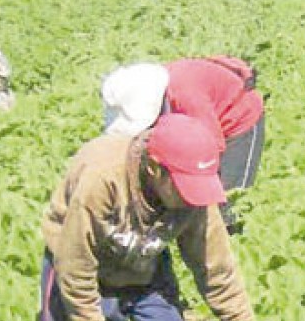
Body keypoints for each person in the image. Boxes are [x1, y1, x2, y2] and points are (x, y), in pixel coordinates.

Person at [38, 113, 253, 321]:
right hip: (83, 268)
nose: (190, 198)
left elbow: (215, 264)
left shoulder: (193, 194)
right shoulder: (102, 180)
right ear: (154, 169)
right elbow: (76, 266)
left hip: (144, 263)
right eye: (183, 188)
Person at [100, 56, 266, 233]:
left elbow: (209, 152)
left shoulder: (185, 96)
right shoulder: (143, 92)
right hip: (201, 117)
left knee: (226, 202)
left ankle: (228, 239)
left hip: (237, 120)